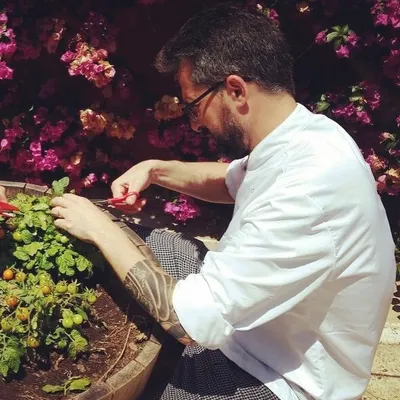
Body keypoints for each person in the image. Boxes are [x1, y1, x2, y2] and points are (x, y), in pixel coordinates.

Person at [46, 4, 396, 400]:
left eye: (194, 107)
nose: (195, 123)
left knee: (141, 374)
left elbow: (191, 325)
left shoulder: (308, 189)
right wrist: (155, 169)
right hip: (265, 331)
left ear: (236, 90)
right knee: (136, 243)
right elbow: (231, 181)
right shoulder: (306, 135)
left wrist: (100, 228)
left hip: (281, 378)